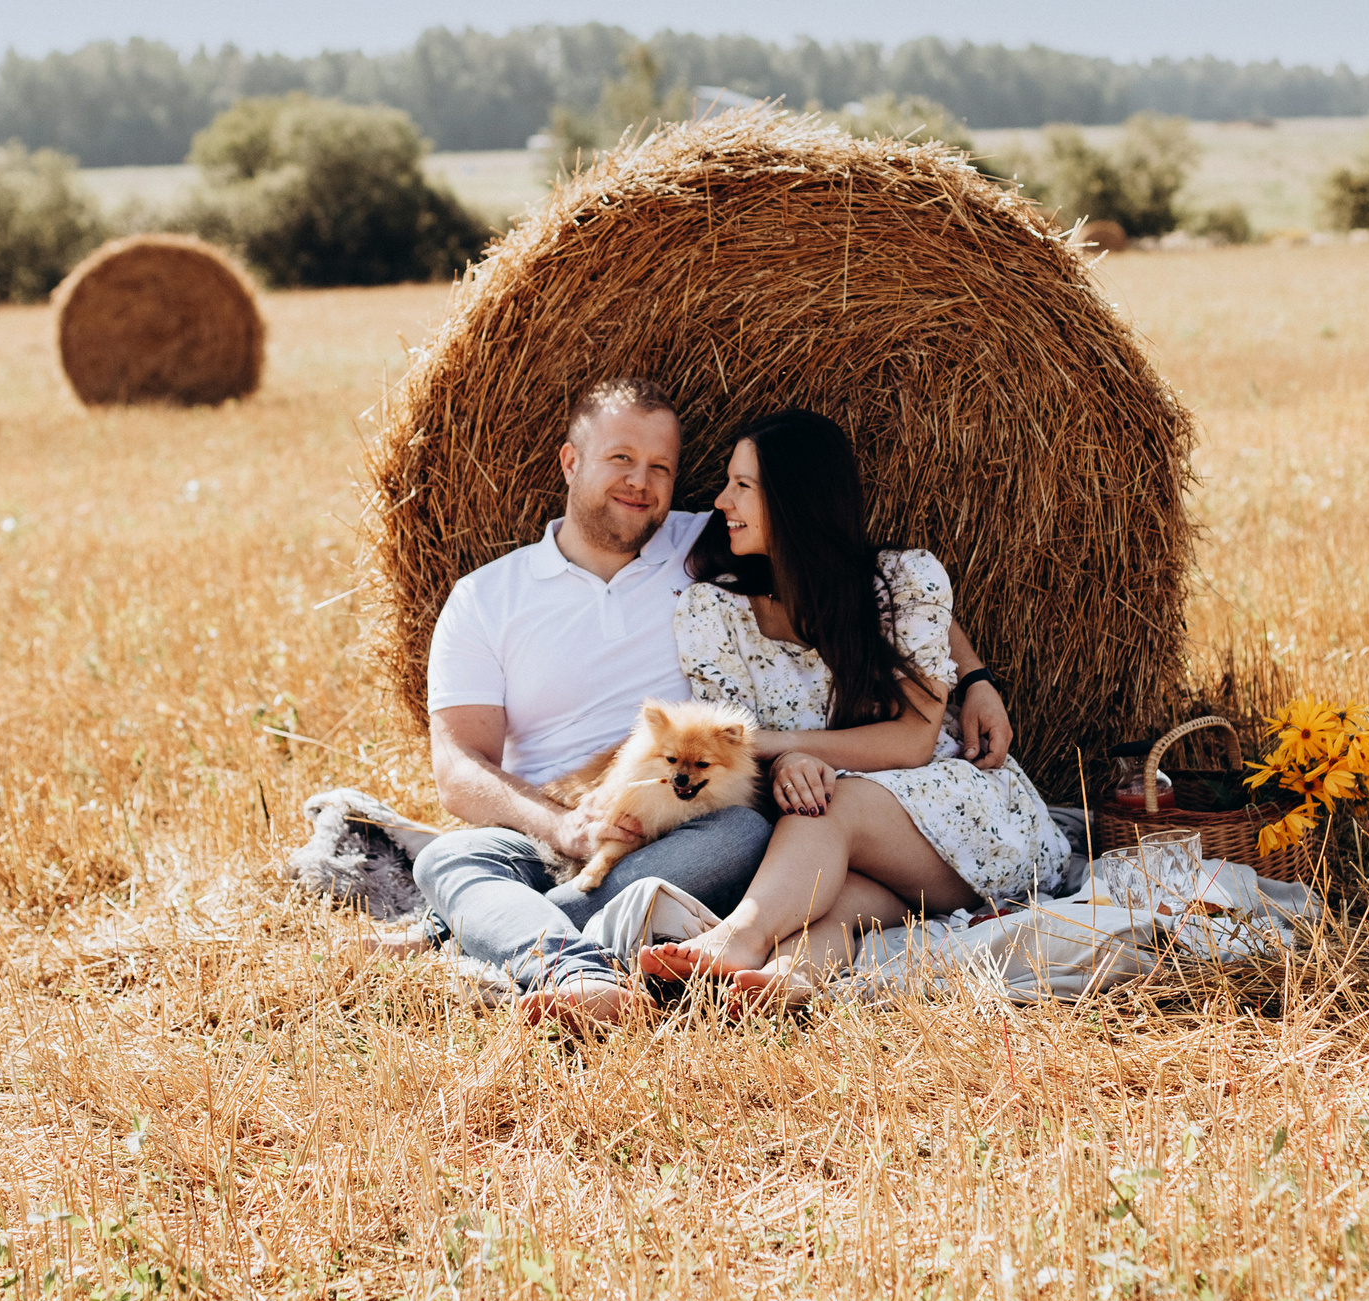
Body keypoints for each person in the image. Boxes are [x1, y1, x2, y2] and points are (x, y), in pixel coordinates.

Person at [403, 377, 1017, 1030]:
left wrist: (977, 675)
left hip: (688, 821)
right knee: (446, 856)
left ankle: (500, 928)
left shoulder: (701, 547)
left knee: (747, 832)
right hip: (554, 825)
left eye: (661, 467)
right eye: (621, 458)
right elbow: (457, 768)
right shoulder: (485, 596)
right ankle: (574, 962)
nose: (641, 481)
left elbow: (855, 574)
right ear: (569, 460)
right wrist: (562, 826)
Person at [639, 407, 1073, 1011]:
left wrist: (784, 749)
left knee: (827, 804)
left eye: (742, 486)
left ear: (797, 500)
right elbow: (724, 754)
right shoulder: (713, 613)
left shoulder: (902, 582)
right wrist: (787, 762)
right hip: (849, 848)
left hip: (955, 815)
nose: (719, 501)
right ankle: (786, 977)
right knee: (842, 881)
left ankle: (739, 937)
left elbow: (911, 742)